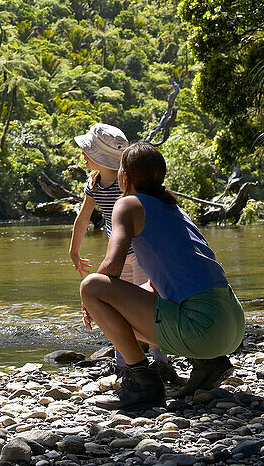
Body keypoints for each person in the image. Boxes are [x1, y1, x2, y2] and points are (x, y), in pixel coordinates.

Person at [80, 141, 245, 409]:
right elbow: (163, 283)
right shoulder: (173, 207)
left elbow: (111, 269)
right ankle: (208, 363)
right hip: (231, 324)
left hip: (203, 329)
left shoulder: (128, 205)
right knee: (134, 293)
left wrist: (90, 302)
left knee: (92, 287)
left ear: (124, 177)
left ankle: (143, 383)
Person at [70, 123, 180, 384]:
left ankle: (161, 362)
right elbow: (83, 218)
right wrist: (74, 251)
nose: (83, 156)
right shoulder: (94, 184)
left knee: (147, 303)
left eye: (87, 152)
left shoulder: (128, 186)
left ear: (100, 157)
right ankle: (125, 364)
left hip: (140, 252)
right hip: (117, 254)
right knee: (121, 307)